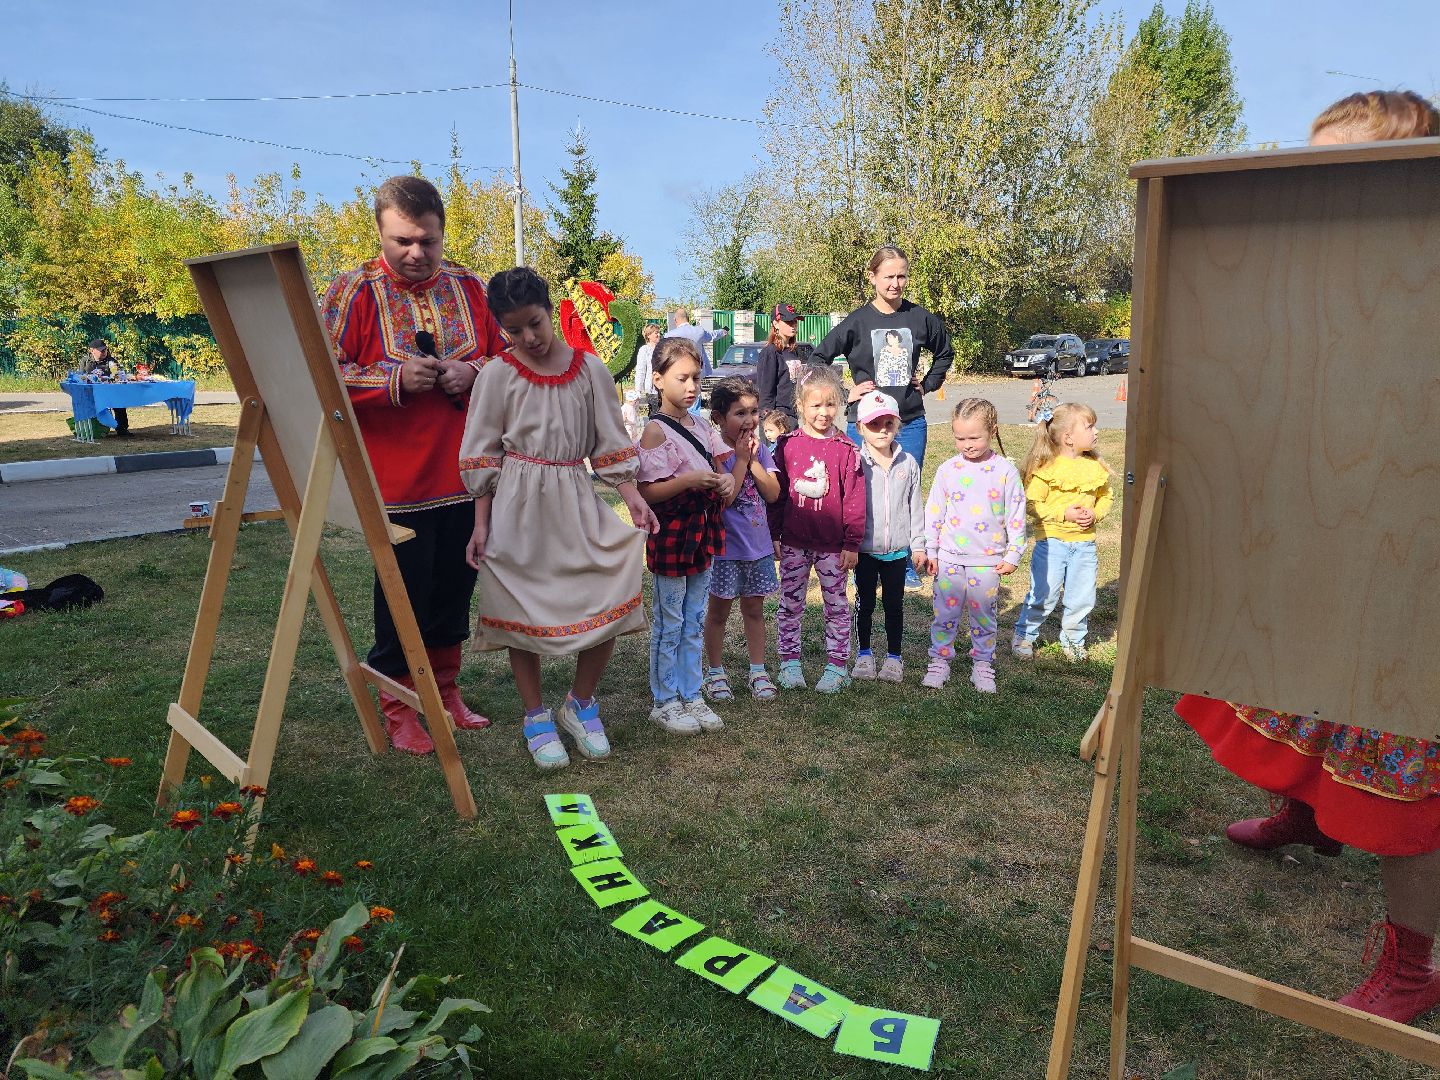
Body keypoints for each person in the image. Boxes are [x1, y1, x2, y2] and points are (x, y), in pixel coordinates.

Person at [1176, 89, 1440, 1025]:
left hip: (1412, 560)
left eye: (1343, 166)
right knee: (1291, 678)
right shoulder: (1308, 269)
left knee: (1401, 740)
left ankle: (1412, 962)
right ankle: (1311, 817)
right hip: (1320, 525)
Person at [321, 175, 506, 754]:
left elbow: (509, 360)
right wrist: (392, 379)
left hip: (468, 474)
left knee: (457, 586)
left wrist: (470, 372)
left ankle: (445, 692)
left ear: (443, 231)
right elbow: (319, 374)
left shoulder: (473, 289)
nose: (416, 253)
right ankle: (399, 703)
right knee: (404, 591)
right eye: (402, 240)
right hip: (395, 482)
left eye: (428, 240)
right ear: (380, 230)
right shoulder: (350, 292)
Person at [460, 267, 657, 770]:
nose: (529, 337)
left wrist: (632, 496)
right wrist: (481, 524)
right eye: (514, 331)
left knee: (611, 583)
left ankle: (581, 703)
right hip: (517, 505)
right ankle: (534, 715)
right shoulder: (496, 375)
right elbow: (483, 452)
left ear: (550, 311)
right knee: (519, 602)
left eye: (535, 323)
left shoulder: (589, 370)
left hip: (573, 495)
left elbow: (609, 441)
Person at [813, 245, 953, 590]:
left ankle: (903, 562)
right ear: (872, 277)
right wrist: (845, 394)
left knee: (904, 491)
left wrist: (929, 383)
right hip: (864, 424)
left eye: (901, 276)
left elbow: (945, 352)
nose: (895, 283)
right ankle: (859, 559)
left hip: (909, 422)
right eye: (888, 276)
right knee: (861, 491)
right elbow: (818, 360)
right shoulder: (858, 321)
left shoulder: (919, 318)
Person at [637, 337, 735, 734]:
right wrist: (690, 480)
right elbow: (648, 492)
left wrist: (725, 479)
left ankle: (692, 693)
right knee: (670, 620)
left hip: (703, 532)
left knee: (694, 617)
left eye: (696, 377)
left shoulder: (701, 426)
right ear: (658, 380)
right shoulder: (655, 432)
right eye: (682, 378)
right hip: (673, 535)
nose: (692, 386)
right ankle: (665, 699)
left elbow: (721, 464)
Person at [768, 365, 865, 694]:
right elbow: (778, 494)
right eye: (816, 405)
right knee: (790, 603)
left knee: (836, 605)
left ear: (839, 404)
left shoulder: (845, 449)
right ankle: (789, 662)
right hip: (794, 543)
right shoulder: (787, 445)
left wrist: (852, 543)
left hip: (832, 547)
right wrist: (774, 535)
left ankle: (838, 666)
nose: (824, 412)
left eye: (830, 404)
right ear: (800, 405)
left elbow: (853, 499)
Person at [921, 398, 1024, 693]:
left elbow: (1016, 513)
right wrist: (932, 551)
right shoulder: (947, 470)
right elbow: (934, 512)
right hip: (950, 557)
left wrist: (1014, 551)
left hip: (988, 559)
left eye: (974, 437)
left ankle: (982, 663)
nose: (967, 444)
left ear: (992, 430)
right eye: (960, 438)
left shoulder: (1005, 471)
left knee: (983, 613)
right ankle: (939, 661)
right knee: (945, 614)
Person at [701, 377, 782, 703]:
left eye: (753, 412)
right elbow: (726, 499)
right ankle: (715, 672)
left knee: (754, 610)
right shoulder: (716, 453)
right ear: (719, 418)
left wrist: (753, 462)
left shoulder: (759, 449)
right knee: (718, 612)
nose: (749, 420)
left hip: (757, 547)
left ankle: (758, 670)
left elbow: (774, 494)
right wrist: (741, 461)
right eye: (739, 413)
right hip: (724, 550)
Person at [1011, 402, 1112, 663]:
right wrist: (1062, 514)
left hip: (1084, 544)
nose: (1096, 431)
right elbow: (1032, 504)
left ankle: (1074, 641)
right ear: (1068, 438)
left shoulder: (1094, 467)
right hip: (1052, 543)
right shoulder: (1046, 469)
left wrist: (1096, 514)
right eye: (1089, 427)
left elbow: (1105, 497)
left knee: (1082, 597)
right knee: (1044, 594)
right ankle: (1025, 636)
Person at [851, 390, 926, 683]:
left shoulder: (908, 464)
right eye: (873, 424)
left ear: (897, 424)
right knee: (865, 603)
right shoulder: (856, 463)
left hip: (896, 551)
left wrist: (918, 545)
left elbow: (915, 506)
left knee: (894, 605)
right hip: (865, 551)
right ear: (859, 428)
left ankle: (894, 657)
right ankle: (864, 654)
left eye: (888, 423)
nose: (881, 430)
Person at [754, 302, 804, 423]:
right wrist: (768, 422)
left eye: (795, 321)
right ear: (775, 324)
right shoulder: (770, 352)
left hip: (793, 415)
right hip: (777, 418)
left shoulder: (793, 351)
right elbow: (765, 392)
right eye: (788, 322)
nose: (793, 325)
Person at [85, 339, 129, 437]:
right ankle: (95, 429)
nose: (104, 352)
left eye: (105, 349)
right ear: (92, 350)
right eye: (101, 350)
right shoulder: (85, 362)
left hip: (111, 391)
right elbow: (82, 377)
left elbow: (118, 375)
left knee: (119, 402)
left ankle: (122, 429)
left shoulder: (111, 361)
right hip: (92, 392)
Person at [633, 322, 662, 406]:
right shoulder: (644, 350)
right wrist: (638, 390)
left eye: (659, 332)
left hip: (664, 387)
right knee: (654, 412)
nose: (659, 335)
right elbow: (640, 370)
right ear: (648, 335)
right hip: (652, 388)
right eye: (656, 333)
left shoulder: (662, 348)